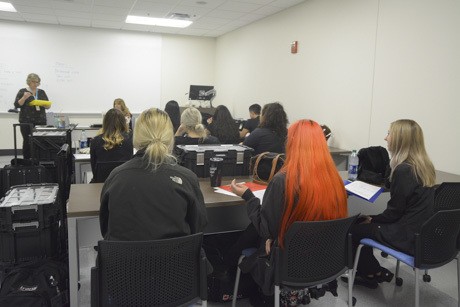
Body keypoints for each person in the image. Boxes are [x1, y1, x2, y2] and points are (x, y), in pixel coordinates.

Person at [230, 119, 348, 304]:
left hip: (288, 264)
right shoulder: (335, 181)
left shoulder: (282, 181)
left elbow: (265, 228)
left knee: (250, 234)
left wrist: (247, 196)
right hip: (323, 262)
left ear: (292, 144)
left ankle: (229, 272)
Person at [347, 119, 436, 289]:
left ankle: (369, 273)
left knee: (355, 228)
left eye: (389, 134)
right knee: (364, 223)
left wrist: (373, 219)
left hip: (405, 236)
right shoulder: (424, 166)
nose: (385, 138)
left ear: (400, 140)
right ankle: (373, 271)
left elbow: (394, 213)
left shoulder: (404, 170)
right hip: (420, 233)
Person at [99, 108, 207, 241]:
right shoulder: (187, 178)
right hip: (176, 260)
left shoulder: (115, 177)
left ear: (137, 136)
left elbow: (105, 228)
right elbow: (198, 227)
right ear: (169, 136)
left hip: (124, 261)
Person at [14, 73, 50, 159]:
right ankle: (27, 161)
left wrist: (45, 105)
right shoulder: (23, 91)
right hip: (26, 121)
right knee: (27, 141)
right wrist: (24, 97)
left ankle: (39, 159)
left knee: (40, 141)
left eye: (37, 82)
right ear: (29, 82)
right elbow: (17, 105)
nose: (35, 84)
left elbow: (48, 106)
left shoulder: (41, 92)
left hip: (40, 121)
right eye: (33, 82)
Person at [90, 108, 133, 181]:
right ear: (123, 122)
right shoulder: (129, 140)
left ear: (105, 122)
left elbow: (94, 169)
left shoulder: (95, 141)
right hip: (124, 183)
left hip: (101, 184)